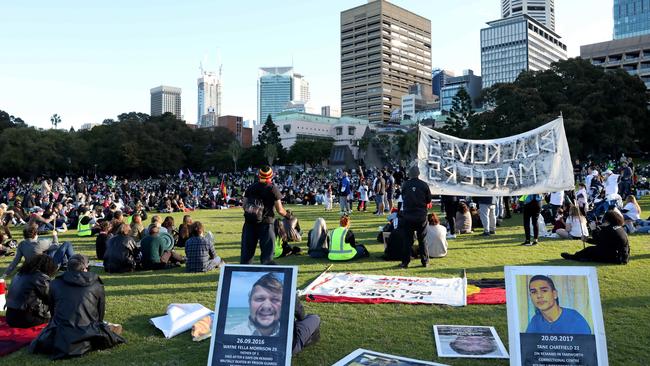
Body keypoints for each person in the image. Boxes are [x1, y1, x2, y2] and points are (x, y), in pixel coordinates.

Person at [29, 254, 126, 359]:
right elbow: (100, 314)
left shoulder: (55, 283)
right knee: (103, 326)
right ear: (84, 268)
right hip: (88, 332)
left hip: (62, 334)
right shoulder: (96, 284)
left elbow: (53, 311)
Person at [241, 166, 289, 265]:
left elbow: (244, 205)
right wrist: (288, 216)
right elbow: (280, 210)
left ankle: (244, 276)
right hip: (266, 224)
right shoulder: (272, 189)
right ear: (271, 176)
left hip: (249, 223)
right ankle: (266, 278)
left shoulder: (251, 187)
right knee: (267, 256)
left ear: (259, 175)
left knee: (246, 255)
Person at [525, 275, 591, 334]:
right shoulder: (535, 321)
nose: (539, 296)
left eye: (544, 290)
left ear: (554, 294)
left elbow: (585, 346)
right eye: (534, 292)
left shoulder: (575, 320)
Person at [5, 254, 57, 328]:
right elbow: (52, 296)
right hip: (27, 318)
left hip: (10, 317)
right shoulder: (39, 277)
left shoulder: (18, 275)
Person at [3, 224, 75, 277]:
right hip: (47, 268)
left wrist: (5, 274)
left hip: (32, 268)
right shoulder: (40, 243)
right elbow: (56, 245)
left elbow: (15, 261)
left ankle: (64, 265)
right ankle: (76, 264)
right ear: (35, 234)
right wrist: (54, 235)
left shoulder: (21, 244)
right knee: (66, 244)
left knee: (50, 250)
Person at [561, 210, 630, 264]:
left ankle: (573, 257)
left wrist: (593, 230)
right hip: (623, 257)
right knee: (592, 250)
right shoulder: (619, 228)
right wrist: (587, 239)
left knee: (589, 250)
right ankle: (583, 257)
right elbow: (603, 242)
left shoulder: (608, 229)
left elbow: (598, 241)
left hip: (615, 257)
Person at [398, 165, 432, 268]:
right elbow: (428, 200)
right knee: (422, 239)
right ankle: (425, 261)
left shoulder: (405, 185)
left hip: (408, 215)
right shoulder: (424, 185)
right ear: (418, 174)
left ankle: (405, 262)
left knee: (407, 240)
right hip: (421, 215)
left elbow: (403, 197)